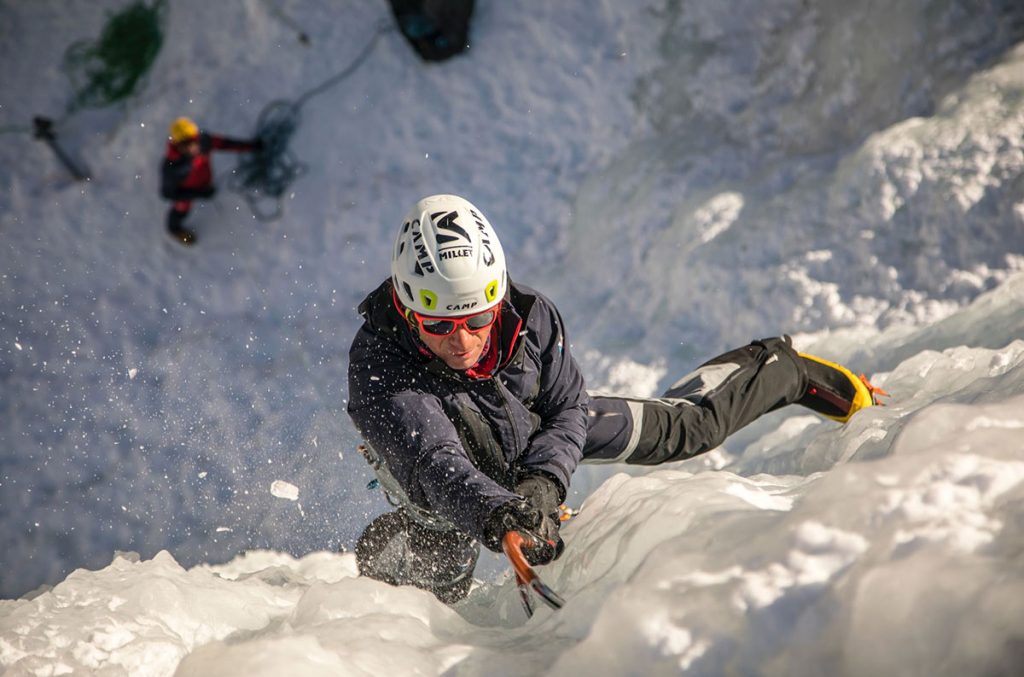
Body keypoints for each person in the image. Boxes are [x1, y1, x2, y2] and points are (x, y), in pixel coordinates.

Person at [347, 194, 886, 603]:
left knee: (689, 429)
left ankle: (782, 369)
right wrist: (500, 514)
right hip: (447, 495)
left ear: (496, 296)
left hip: (528, 438)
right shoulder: (379, 363)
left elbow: (565, 409)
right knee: (432, 600)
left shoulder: (530, 315)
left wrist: (540, 485)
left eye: (475, 320)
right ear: (406, 307)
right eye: (439, 324)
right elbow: (435, 463)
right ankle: (411, 543)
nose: (461, 342)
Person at [159, 117, 261, 245]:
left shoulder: (204, 142)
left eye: (194, 140)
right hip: (187, 192)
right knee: (181, 209)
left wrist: (251, 147)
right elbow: (167, 194)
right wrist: (199, 194)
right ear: (177, 145)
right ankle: (175, 230)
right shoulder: (172, 166)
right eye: (186, 143)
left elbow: (226, 144)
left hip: (204, 182)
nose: (194, 146)